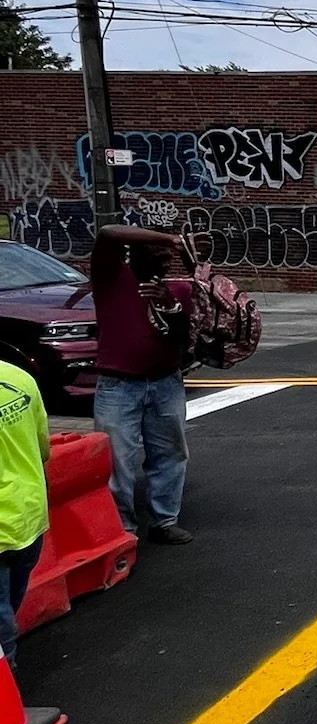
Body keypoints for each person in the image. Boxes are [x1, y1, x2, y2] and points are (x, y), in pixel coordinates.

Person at [91, 225, 195, 544]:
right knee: (116, 459)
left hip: (165, 381)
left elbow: (183, 341)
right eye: (156, 252)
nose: (164, 259)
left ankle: (164, 520)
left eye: (168, 256)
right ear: (134, 253)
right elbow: (108, 232)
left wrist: (172, 308)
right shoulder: (111, 277)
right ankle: (122, 527)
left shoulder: (178, 290)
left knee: (170, 453)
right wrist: (170, 239)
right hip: (119, 384)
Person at [0, 359, 50, 678]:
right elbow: (43, 446)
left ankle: (7, 677)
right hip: (29, 512)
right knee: (8, 600)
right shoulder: (20, 378)